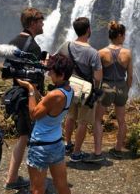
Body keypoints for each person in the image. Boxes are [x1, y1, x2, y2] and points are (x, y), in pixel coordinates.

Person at [16, 54, 74, 194]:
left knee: (37, 191)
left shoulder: (55, 94)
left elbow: (34, 114)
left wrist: (30, 90)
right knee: (62, 186)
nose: (49, 75)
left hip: (40, 146)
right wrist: (39, 93)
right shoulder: (68, 90)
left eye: (52, 73)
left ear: (61, 74)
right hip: (56, 143)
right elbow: (48, 107)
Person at [5, 7, 45, 190]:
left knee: (22, 137)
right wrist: (39, 99)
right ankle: (35, 185)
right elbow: (34, 79)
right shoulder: (33, 47)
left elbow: (9, 71)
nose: (43, 24)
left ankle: (12, 177)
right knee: (36, 140)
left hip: (17, 96)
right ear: (32, 24)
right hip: (29, 99)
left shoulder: (12, 42)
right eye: (40, 21)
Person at [56, 17, 103, 162]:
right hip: (85, 92)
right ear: (88, 30)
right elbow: (97, 77)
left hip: (69, 88)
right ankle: (76, 153)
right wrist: (97, 90)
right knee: (83, 121)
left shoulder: (66, 45)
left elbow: (58, 61)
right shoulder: (93, 53)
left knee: (70, 116)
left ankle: (67, 144)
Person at [94, 21, 133, 158]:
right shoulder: (127, 53)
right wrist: (126, 90)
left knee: (98, 119)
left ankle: (98, 151)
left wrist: (96, 89)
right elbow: (130, 76)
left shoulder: (101, 53)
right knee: (121, 120)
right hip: (121, 86)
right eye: (124, 35)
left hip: (106, 87)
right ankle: (118, 149)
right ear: (120, 35)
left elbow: (98, 75)